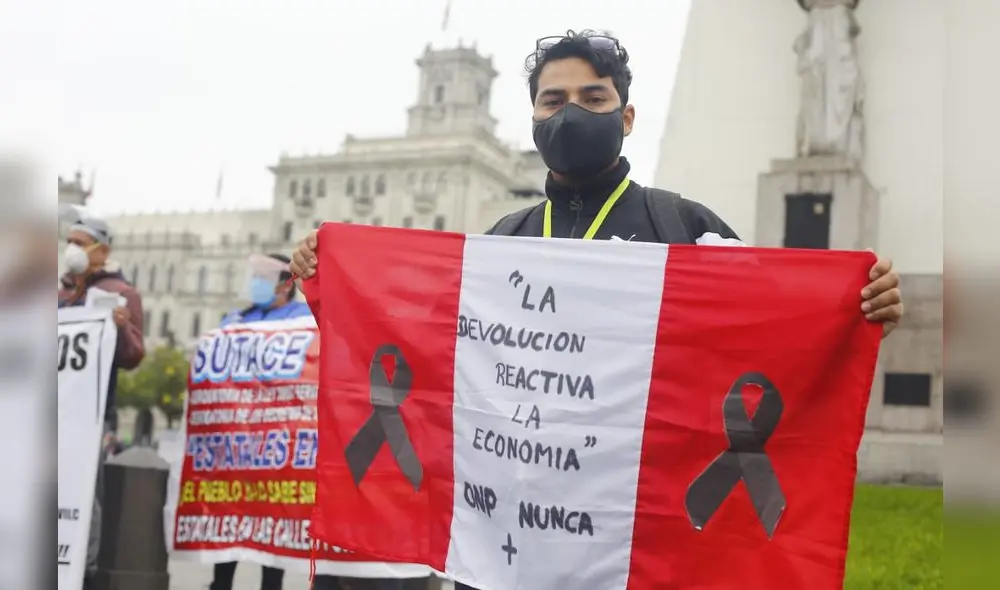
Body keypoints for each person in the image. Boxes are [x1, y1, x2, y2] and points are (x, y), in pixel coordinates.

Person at [289, 30, 904, 589]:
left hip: (639, 543)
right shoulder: (501, 243)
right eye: (553, 101)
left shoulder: (686, 228)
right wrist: (332, 278)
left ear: (627, 116)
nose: (572, 112)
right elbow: (420, 346)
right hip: (512, 544)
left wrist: (857, 304)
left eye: (594, 98)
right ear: (533, 118)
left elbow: (778, 329)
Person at [210, 253, 311, 590]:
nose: (256, 282)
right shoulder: (236, 318)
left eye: (264, 276)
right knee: (228, 518)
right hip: (235, 441)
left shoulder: (301, 320)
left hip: (276, 442)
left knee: (273, 522)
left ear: (286, 283)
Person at [57, 214, 146, 589]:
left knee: (82, 493)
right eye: (70, 241)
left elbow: (133, 355)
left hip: (88, 416)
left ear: (102, 250)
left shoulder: (120, 294)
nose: (72, 249)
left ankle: (83, 570)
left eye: (80, 242)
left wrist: (122, 325)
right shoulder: (59, 292)